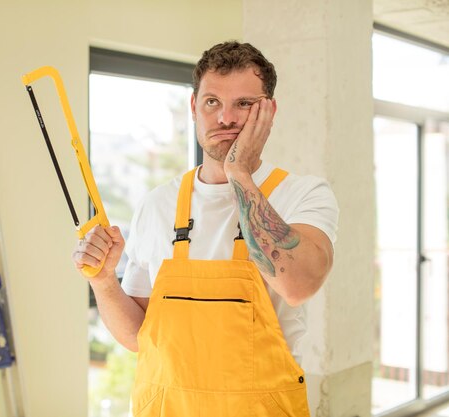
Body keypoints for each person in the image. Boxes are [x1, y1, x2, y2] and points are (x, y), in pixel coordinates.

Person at [73, 41, 338, 416]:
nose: (226, 118)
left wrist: (239, 172)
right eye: (213, 102)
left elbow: (298, 285)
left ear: (269, 110)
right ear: (194, 107)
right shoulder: (157, 204)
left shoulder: (303, 194)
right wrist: (103, 282)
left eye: (244, 104)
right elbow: (139, 338)